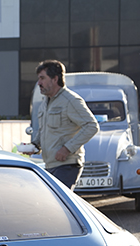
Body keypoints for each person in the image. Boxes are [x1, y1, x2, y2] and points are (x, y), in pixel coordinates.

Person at [26, 60, 99, 189]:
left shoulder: (70, 100)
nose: (39, 83)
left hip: (67, 166)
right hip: (50, 165)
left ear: (55, 79)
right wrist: (35, 145)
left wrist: (67, 149)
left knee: (59, 205)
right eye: (39, 79)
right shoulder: (45, 103)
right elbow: (44, 130)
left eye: (42, 78)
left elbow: (91, 126)